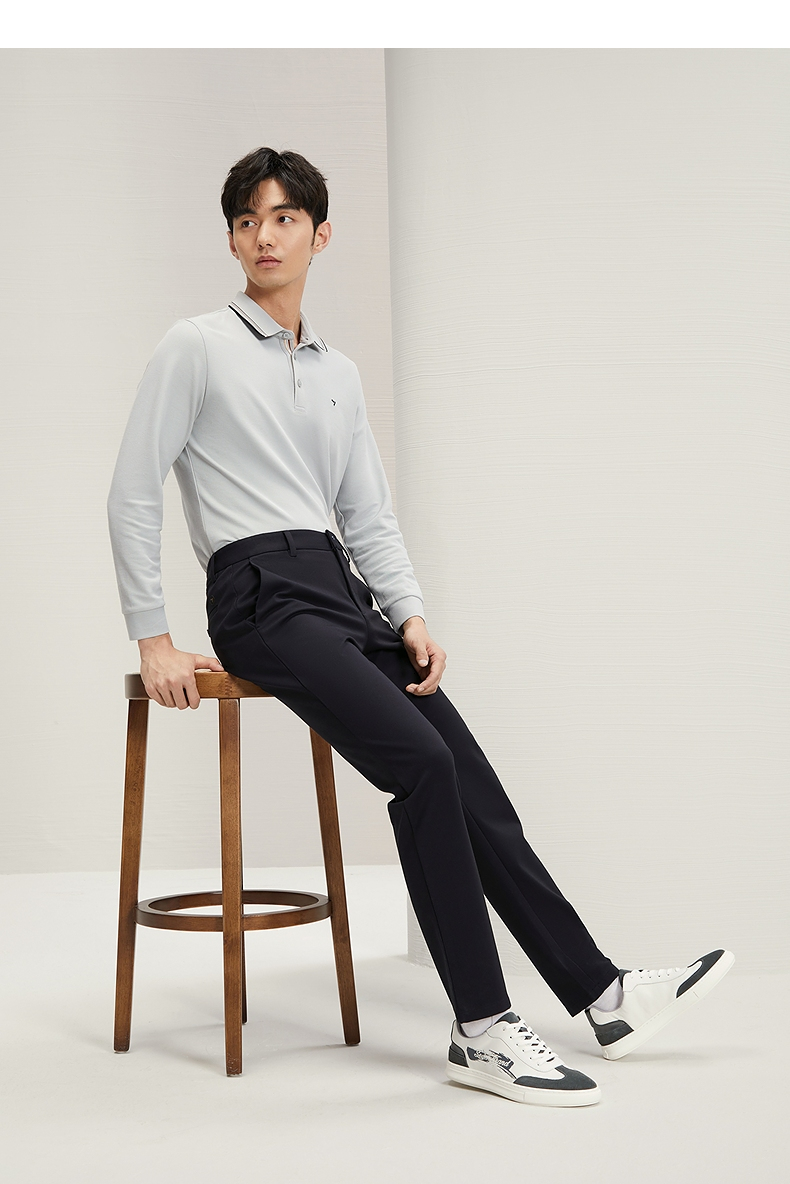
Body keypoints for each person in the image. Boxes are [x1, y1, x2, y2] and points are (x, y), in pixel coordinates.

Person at [106, 146, 734, 1107]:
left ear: (320, 235)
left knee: (471, 779)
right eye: (245, 220)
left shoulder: (339, 373)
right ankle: (481, 1029)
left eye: (283, 218)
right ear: (231, 238)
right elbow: (132, 489)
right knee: (422, 766)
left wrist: (407, 611)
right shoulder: (195, 345)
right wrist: (152, 633)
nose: (263, 236)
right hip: (259, 592)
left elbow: (367, 513)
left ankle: (603, 995)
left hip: (341, 589)